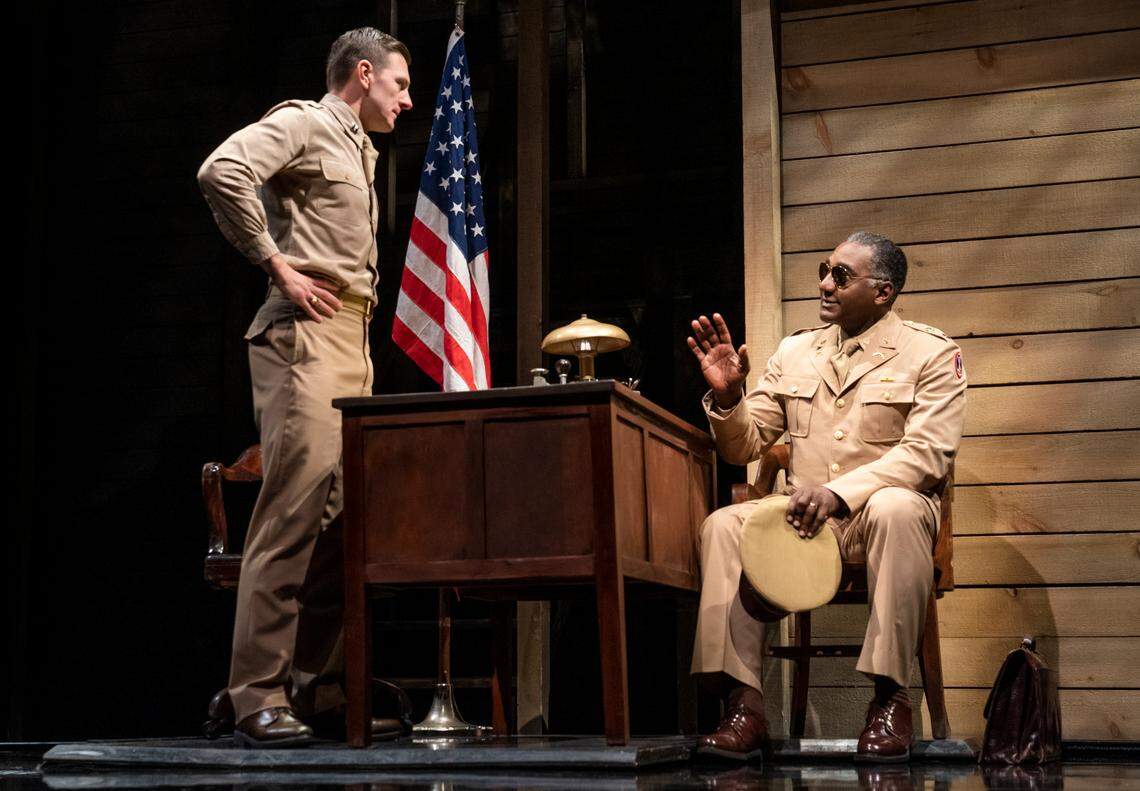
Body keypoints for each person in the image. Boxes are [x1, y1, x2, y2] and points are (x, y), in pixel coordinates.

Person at [197, 27, 413, 747]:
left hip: (352, 342)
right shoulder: (306, 122)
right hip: (305, 338)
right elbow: (221, 170)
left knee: (343, 523)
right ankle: (254, 687)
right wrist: (277, 265)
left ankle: (307, 688)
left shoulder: (359, 147)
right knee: (292, 510)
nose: (407, 100)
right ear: (362, 72)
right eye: (399, 85)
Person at [687, 231, 966, 763]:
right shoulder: (796, 351)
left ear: (883, 292)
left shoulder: (931, 353)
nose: (824, 284)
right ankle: (744, 705)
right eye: (825, 269)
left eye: (841, 275)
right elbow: (744, 444)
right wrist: (728, 397)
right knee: (723, 524)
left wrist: (839, 494)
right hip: (804, 518)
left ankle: (890, 698)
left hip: (879, 515)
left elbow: (928, 454)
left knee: (898, 506)